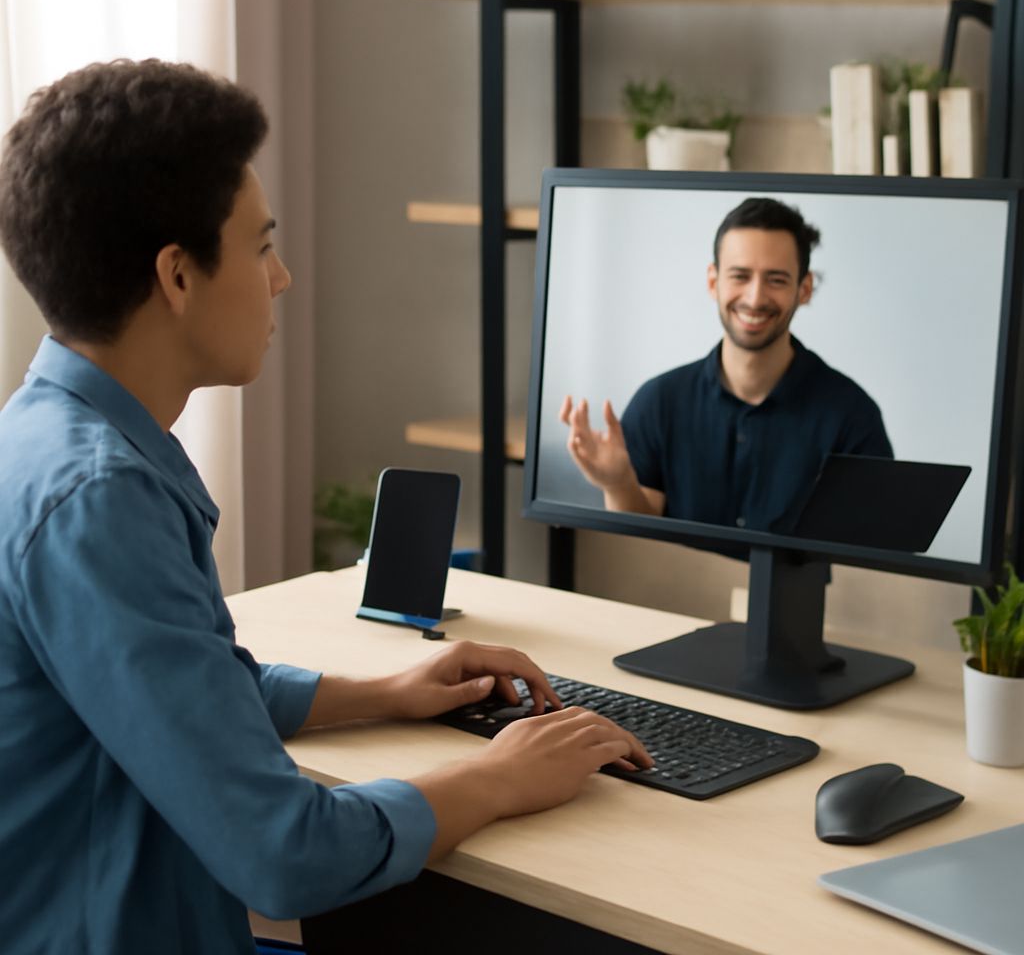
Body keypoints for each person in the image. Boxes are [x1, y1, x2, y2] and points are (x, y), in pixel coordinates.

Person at [0, 60, 651, 955]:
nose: (283, 278)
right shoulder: (100, 502)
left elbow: (182, 697)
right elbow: (285, 854)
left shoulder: (49, 437)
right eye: (261, 244)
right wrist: (498, 775)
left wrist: (386, 693)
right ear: (177, 276)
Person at [560, 197, 892, 533]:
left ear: (804, 289)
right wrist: (618, 484)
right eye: (740, 276)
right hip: (679, 587)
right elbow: (641, 540)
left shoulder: (852, 416)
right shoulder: (658, 401)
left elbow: (867, 556)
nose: (755, 298)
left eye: (776, 279)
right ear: (713, 281)